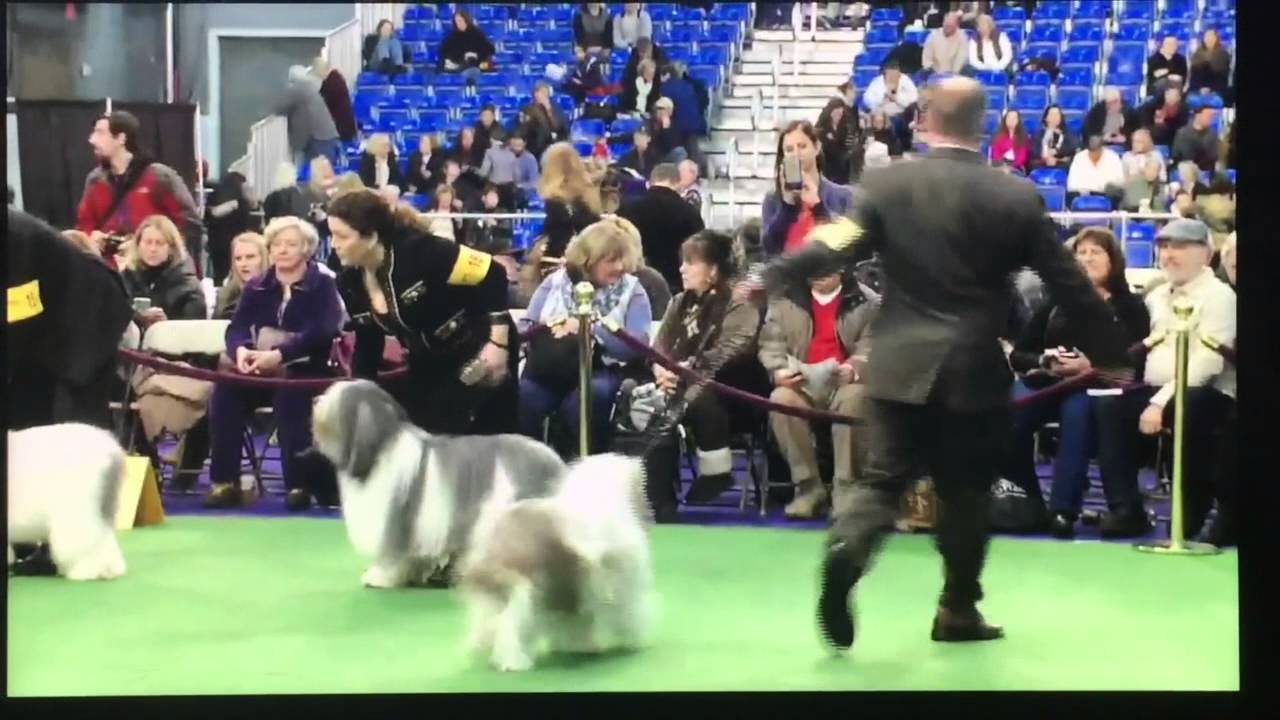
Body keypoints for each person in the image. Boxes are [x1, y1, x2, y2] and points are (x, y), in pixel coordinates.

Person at [761, 77, 1134, 651]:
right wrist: (1112, 356)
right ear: (981, 125)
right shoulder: (1013, 196)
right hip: (972, 369)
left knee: (882, 482)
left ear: (928, 118)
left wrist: (771, 275)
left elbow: (835, 246)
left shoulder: (888, 184)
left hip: (896, 363)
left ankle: (848, 547)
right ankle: (957, 610)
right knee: (965, 496)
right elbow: (1069, 284)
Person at [326, 189, 516, 435]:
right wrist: (356, 399)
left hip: (480, 346)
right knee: (421, 437)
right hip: (427, 361)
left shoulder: (423, 251)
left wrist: (497, 345)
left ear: (371, 236)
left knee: (475, 441)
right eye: (331, 235)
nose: (333, 245)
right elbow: (368, 345)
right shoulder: (349, 282)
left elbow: (493, 274)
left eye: (342, 236)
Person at [8, 207, 133, 576]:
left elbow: (18, 315)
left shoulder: (16, 239)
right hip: (45, 330)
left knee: (73, 433)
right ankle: (37, 537)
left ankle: (83, 550)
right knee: (26, 419)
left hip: (85, 324)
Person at [1091, 219, 1235, 539]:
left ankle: (1189, 517)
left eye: (1180, 247)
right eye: (1164, 247)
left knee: (1191, 407)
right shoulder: (1156, 295)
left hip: (1206, 392)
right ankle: (1126, 510)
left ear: (1207, 254)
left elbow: (1206, 364)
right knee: (1110, 406)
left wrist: (1158, 403)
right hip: (1156, 388)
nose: (1169, 254)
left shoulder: (1220, 297)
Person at [1002, 228, 1151, 538]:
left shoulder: (1131, 306)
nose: (1086, 258)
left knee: (1077, 413)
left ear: (1114, 260)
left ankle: (1062, 511)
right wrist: (1044, 360)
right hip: (1049, 382)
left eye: (1095, 252)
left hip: (1096, 386)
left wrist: (1089, 366)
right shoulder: (1056, 302)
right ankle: (1026, 501)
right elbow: (1019, 355)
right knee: (1006, 412)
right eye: (1080, 253)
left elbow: (1134, 362)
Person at [204, 216, 345, 511]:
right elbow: (237, 327)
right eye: (277, 244)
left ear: (306, 248)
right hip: (259, 366)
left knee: (290, 395)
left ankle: (298, 484)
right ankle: (224, 482)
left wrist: (280, 354)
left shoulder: (323, 285)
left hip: (307, 369)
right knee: (226, 392)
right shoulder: (257, 286)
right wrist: (241, 351)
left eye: (290, 244)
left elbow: (322, 330)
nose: (282, 250)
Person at [651, 230, 767, 511]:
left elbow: (730, 353)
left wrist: (682, 372)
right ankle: (655, 488)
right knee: (636, 393)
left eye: (691, 262)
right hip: (681, 383)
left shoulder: (739, 305)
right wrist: (661, 371)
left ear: (713, 270)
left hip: (732, 392)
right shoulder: (679, 302)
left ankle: (717, 472)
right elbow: (658, 348)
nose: (682, 268)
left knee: (700, 397)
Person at [518, 218, 653, 456]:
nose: (620, 267)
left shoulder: (634, 290)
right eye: (611, 260)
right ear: (588, 260)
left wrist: (590, 329)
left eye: (622, 259)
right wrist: (554, 329)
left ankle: (578, 467)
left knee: (589, 399)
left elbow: (638, 345)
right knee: (525, 397)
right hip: (551, 367)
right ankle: (532, 469)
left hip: (602, 370)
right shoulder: (555, 282)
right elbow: (526, 326)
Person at [77, 111, 202, 274]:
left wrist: (147, 246)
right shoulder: (95, 180)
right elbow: (84, 225)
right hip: (109, 272)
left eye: (100, 133)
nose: (92, 140)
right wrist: (91, 239)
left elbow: (189, 225)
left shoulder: (159, 177)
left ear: (121, 139)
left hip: (156, 274)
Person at [761, 120, 856, 256]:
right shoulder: (772, 199)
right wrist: (787, 207)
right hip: (789, 274)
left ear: (816, 147)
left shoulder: (843, 196)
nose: (796, 153)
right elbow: (770, 249)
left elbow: (845, 246)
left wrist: (818, 207)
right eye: (789, 150)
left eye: (802, 146)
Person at [616, 162, 705, 290]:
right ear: (678, 183)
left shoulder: (627, 209)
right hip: (676, 285)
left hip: (633, 284)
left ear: (650, 183)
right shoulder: (690, 213)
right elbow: (698, 253)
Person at [119, 214, 209, 327]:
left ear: (171, 248)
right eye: (148, 242)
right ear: (138, 245)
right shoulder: (124, 279)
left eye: (159, 243)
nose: (153, 249)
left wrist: (166, 327)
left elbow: (195, 330)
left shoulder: (188, 287)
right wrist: (136, 318)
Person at [214, 231, 270, 319]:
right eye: (238, 258)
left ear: (265, 258)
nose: (243, 264)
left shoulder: (278, 295)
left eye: (250, 257)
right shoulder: (225, 297)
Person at [815, 97, 865, 185]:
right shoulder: (822, 127)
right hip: (827, 159)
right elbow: (820, 143)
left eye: (840, 113)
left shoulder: (846, 125)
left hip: (842, 159)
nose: (839, 115)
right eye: (836, 112)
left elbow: (848, 143)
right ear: (830, 112)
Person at [439, 10, 495, 84]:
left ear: (466, 20)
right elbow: (444, 52)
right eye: (456, 21)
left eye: (460, 21)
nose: (459, 24)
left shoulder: (477, 34)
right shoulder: (452, 37)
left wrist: (475, 55)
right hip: (457, 64)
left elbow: (489, 50)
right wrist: (461, 57)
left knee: (473, 71)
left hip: (473, 65)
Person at [1030, 105, 1078, 170]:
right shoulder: (1040, 133)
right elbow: (1035, 149)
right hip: (1043, 162)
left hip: (1061, 163)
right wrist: (1046, 156)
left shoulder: (1067, 132)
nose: (1054, 117)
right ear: (1046, 118)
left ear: (1061, 118)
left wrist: (1056, 152)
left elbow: (1073, 147)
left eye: (1057, 115)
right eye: (1051, 115)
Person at [989, 109, 1030, 173]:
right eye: (1009, 118)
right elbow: (995, 154)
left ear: (1018, 121)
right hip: (1000, 165)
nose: (1011, 120)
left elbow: (1022, 158)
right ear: (1005, 120)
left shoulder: (1023, 136)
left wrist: (1011, 167)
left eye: (1014, 118)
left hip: (1016, 167)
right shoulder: (997, 135)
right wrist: (1002, 165)